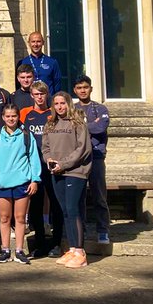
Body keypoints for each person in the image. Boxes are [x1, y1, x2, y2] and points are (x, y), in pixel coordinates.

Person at [43, 91, 93, 270]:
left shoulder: (78, 123)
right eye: (56, 104)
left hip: (75, 172)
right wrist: (49, 160)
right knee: (64, 211)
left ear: (68, 104)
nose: (59, 107)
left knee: (73, 210)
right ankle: (72, 249)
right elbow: (45, 147)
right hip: (56, 172)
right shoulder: (50, 123)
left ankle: (80, 252)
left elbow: (83, 149)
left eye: (62, 103)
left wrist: (63, 164)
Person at [0, 104, 40, 265]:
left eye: (14, 116)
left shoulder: (26, 136)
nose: (11, 119)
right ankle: (5, 250)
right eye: (8, 116)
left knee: (20, 218)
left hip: (22, 183)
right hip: (2, 183)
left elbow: (34, 158)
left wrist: (35, 179)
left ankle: (19, 250)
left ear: (18, 117)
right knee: (4, 218)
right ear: (3, 117)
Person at [21, 81, 61, 258]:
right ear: (32, 95)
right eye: (36, 94)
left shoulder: (53, 114)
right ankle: (39, 243)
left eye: (42, 94)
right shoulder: (25, 114)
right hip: (33, 166)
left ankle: (57, 242)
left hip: (52, 165)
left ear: (47, 95)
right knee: (35, 206)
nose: (39, 97)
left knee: (56, 203)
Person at [74, 75, 112, 245]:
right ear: (75, 90)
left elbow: (100, 127)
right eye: (79, 87)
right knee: (79, 196)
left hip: (96, 156)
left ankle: (103, 230)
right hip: (78, 159)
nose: (83, 90)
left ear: (91, 88)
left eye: (85, 87)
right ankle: (81, 230)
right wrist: (89, 125)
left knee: (99, 196)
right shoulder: (72, 110)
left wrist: (82, 126)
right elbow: (70, 131)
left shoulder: (100, 108)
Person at [19, 31, 62, 96]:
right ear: (29, 43)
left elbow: (57, 85)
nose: (36, 44)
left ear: (43, 43)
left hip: (48, 101)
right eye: (33, 42)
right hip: (28, 100)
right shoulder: (22, 62)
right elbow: (19, 84)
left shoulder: (52, 62)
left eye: (38, 41)